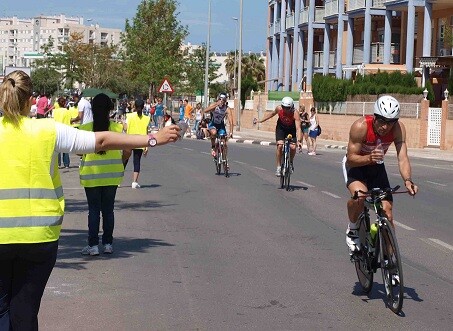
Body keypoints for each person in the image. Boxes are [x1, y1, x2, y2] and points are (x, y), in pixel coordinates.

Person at [0, 70, 180, 330]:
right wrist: (153, 138)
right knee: (25, 311)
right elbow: (102, 139)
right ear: (30, 99)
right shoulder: (47, 130)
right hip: (40, 238)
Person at [343, 95, 418, 257]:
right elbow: (350, 158)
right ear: (375, 117)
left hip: (376, 167)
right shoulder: (360, 126)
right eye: (382, 121)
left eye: (390, 122)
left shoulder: (398, 129)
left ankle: (390, 265)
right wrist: (369, 158)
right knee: (359, 197)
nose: (385, 127)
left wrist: (408, 180)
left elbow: (402, 157)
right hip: (357, 165)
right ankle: (353, 229)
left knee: (388, 213)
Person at [78, 94, 125, 256]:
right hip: (112, 176)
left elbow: (78, 151)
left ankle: (93, 246)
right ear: (109, 110)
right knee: (108, 210)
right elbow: (127, 151)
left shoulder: (85, 129)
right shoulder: (117, 128)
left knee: (93, 210)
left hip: (91, 176)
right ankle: (108, 243)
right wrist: (121, 162)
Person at [258, 96, 302, 176]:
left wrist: (299, 141)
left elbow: (298, 128)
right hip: (281, 128)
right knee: (280, 146)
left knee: (293, 147)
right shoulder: (279, 109)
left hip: (291, 129)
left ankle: (291, 162)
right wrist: (261, 120)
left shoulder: (295, 113)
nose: (285, 109)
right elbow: (271, 114)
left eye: (287, 108)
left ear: (291, 107)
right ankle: (278, 167)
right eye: (283, 107)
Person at [122, 99, 151, 188]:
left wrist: (123, 122)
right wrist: (146, 146)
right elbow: (146, 132)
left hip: (129, 141)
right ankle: (134, 182)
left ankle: (118, 180)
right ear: (143, 107)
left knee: (124, 161)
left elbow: (126, 128)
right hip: (140, 142)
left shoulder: (129, 116)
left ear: (134, 106)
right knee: (137, 162)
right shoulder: (147, 118)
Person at [203, 93, 234, 160]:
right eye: (220, 100)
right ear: (218, 99)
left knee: (224, 143)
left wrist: (231, 132)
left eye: (223, 100)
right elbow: (205, 111)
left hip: (221, 125)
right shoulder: (214, 105)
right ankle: (213, 147)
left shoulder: (227, 109)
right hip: (213, 124)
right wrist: (216, 105)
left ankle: (225, 159)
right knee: (213, 133)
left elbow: (231, 122)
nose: (222, 102)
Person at [52, 96, 72, 168]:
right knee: (66, 148)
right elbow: (70, 120)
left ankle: (58, 164)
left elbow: (53, 120)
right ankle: (66, 164)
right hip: (66, 130)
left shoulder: (55, 111)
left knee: (57, 149)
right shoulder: (67, 111)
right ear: (64, 103)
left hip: (57, 130)